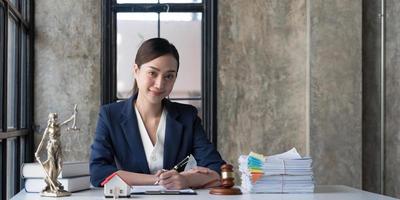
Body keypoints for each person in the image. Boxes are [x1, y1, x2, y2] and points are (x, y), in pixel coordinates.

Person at [90, 38, 225, 189]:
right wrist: (158, 180)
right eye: (152, 73)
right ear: (136, 71)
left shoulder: (188, 117)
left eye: (169, 76)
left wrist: (186, 180)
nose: (160, 84)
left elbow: (218, 169)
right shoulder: (110, 115)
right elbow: (98, 173)